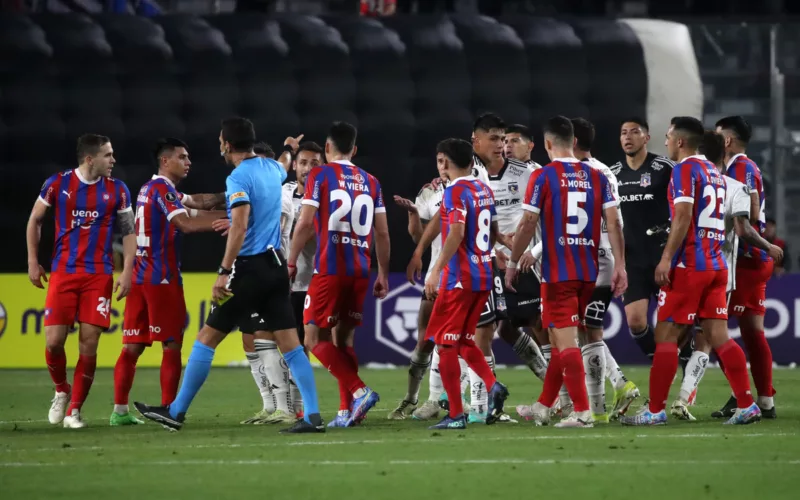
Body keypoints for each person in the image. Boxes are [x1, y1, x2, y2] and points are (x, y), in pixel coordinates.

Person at [134, 117, 323, 433]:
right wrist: (289, 147)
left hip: (250, 270)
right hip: (278, 269)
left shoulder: (238, 177)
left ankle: (176, 411)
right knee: (291, 345)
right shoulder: (271, 169)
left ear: (226, 144)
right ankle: (313, 416)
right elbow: (284, 162)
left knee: (206, 338)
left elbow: (238, 225)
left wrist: (223, 272)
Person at [621, 116, 760, 426]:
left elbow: (682, 217)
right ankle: (747, 404)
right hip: (716, 265)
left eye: (669, 136)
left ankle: (655, 410)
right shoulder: (715, 172)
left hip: (690, 266)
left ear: (681, 141)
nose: (667, 142)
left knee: (666, 336)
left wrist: (666, 258)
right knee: (719, 336)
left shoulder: (685, 169)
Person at [506, 116, 627, 428]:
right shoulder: (598, 176)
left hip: (558, 272)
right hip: (590, 271)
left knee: (566, 342)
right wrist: (621, 266)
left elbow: (527, 224)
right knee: (564, 341)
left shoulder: (544, 176)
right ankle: (544, 405)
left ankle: (583, 412)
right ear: (574, 142)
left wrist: (511, 262)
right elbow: (613, 223)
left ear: (547, 144)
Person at [111, 138, 227, 426]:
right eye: (182, 157)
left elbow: (198, 203)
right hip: (161, 278)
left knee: (131, 348)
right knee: (172, 345)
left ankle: (119, 411)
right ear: (165, 161)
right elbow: (186, 223)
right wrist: (236, 222)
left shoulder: (152, 189)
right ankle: (168, 409)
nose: (188, 162)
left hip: (140, 276)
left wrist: (234, 202)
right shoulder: (163, 189)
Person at [669, 130, 783, 421]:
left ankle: (682, 400)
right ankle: (746, 400)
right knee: (711, 336)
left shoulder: (704, 175)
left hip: (700, 267)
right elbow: (747, 223)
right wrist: (768, 246)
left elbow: (744, 224)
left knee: (698, 336)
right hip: (723, 270)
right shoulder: (734, 181)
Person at [27, 134, 136, 429]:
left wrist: (126, 271)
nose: (113, 160)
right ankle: (61, 389)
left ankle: (74, 410)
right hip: (63, 272)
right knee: (54, 342)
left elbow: (128, 232)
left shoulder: (118, 190)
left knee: (89, 343)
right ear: (90, 159)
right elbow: (35, 220)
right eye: (108, 155)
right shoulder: (57, 184)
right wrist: (32, 261)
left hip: (98, 275)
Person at [288, 121, 391, 428]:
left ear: (328, 148)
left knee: (312, 338)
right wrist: (383, 272)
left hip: (329, 269)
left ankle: (359, 392)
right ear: (354, 149)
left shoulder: (319, 175)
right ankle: (347, 412)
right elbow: (383, 233)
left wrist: (291, 261)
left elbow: (305, 224)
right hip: (360, 270)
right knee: (344, 339)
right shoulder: (371, 181)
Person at [423, 138, 509, 430]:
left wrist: (436, 270)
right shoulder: (483, 189)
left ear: (445, 162)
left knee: (445, 346)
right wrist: (500, 246)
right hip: (484, 276)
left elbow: (457, 233)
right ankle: (492, 384)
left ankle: (456, 415)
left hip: (459, 279)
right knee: (463, 341)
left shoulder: (454, 192)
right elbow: (493, 230)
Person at [389, 157, 471, 421]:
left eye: (446, 161)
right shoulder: (430, 191)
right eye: (438, 161)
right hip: (438, 278)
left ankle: (454, 399)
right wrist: (413, 212)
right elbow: (418, 235)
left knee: (465, 341)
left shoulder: (473, 185)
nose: (442, 166)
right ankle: (411, 399)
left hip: (467, 276)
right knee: (425, 341)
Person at [710, 116, 780, 420]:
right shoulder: (749, 167)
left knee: (714, 330)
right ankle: (765, 400)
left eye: (716, 136)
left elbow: (747, 216)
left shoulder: (738, 168)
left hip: (745, 260)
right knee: (753, 332)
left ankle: (743, 398)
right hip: (756, 259)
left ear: (726, 141)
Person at [610, 119, 693, 367]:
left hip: (662, 256)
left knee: (677, 323)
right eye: (624, 132)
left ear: (646, 138)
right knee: (636, 322)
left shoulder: (666, 168)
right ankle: (661, 365)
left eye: (635, 132)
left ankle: (686, 363)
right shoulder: (612, 173)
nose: (628, 137)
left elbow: (683, 207)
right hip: (632, 259)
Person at [238, 140, 303, 425]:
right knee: (251, 339)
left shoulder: (278, 194)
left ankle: (291, 407)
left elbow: (275, 225)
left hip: (272, 271)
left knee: (275, 339)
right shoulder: (246, 189)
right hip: (251, 270)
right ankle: (272, 405)